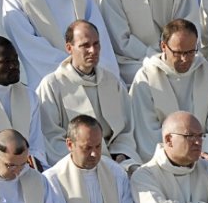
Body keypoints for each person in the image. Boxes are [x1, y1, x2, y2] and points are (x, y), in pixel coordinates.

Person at [130, 18, 208, 161]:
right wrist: (183, 152)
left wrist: (204, 150)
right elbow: (146, 132)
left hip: (205, 153)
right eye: (178, 53)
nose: (184, 59)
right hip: (164, 159)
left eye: (190, 52)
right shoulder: (146, 78)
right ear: (164, 46)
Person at [34, 20, 136, 166]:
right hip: (77, 165)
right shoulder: (52, 85)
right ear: (69, 48)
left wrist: (121, 154)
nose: (93, 51)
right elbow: (51, 137)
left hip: (117, 163)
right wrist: (89, 158)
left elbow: (126, 129)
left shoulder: (111, 82)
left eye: (96, 44)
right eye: (85, 45)